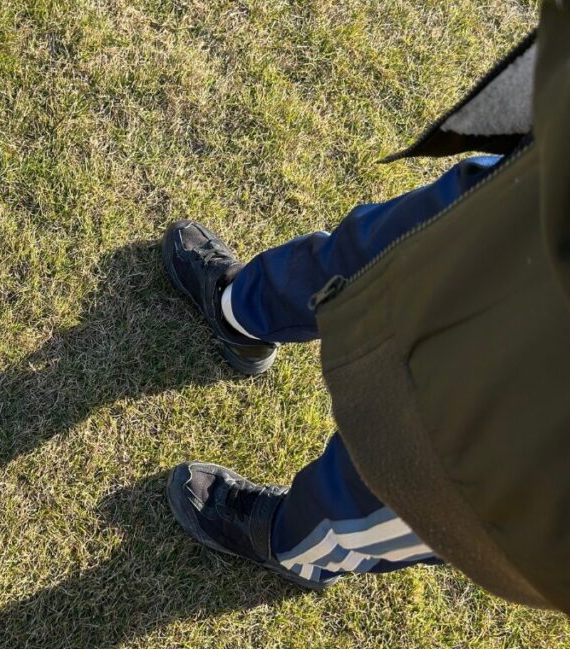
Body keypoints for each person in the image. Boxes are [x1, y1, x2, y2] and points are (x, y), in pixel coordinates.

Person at [164, 1, 570, 613]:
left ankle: (291, 542)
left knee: (423, 469)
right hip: (537, 186)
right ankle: (240, 313)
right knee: (373, 250)